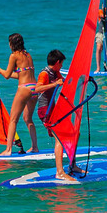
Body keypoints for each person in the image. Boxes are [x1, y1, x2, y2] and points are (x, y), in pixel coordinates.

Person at [0, 33, 37, 155]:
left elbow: (7, 75)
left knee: (13, 120)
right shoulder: (28, 55)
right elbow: (21, 75)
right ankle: (35, 147)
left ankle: (8, 150)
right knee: (28, 118)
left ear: (12, 44)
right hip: (34, 88)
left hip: (24, 89)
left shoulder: (14, 56)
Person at [31, 49, 75, 180]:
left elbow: (65, 82)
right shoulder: (44, 74)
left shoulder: (56, 72)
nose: (61, 67)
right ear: (57, 62)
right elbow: (36, 89)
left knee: (72, 133)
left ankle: (73, 166)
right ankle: (60, 172)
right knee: (59, 138)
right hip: (45, 110)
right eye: (61, 64)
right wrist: (54, 84)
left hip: (54, 109)